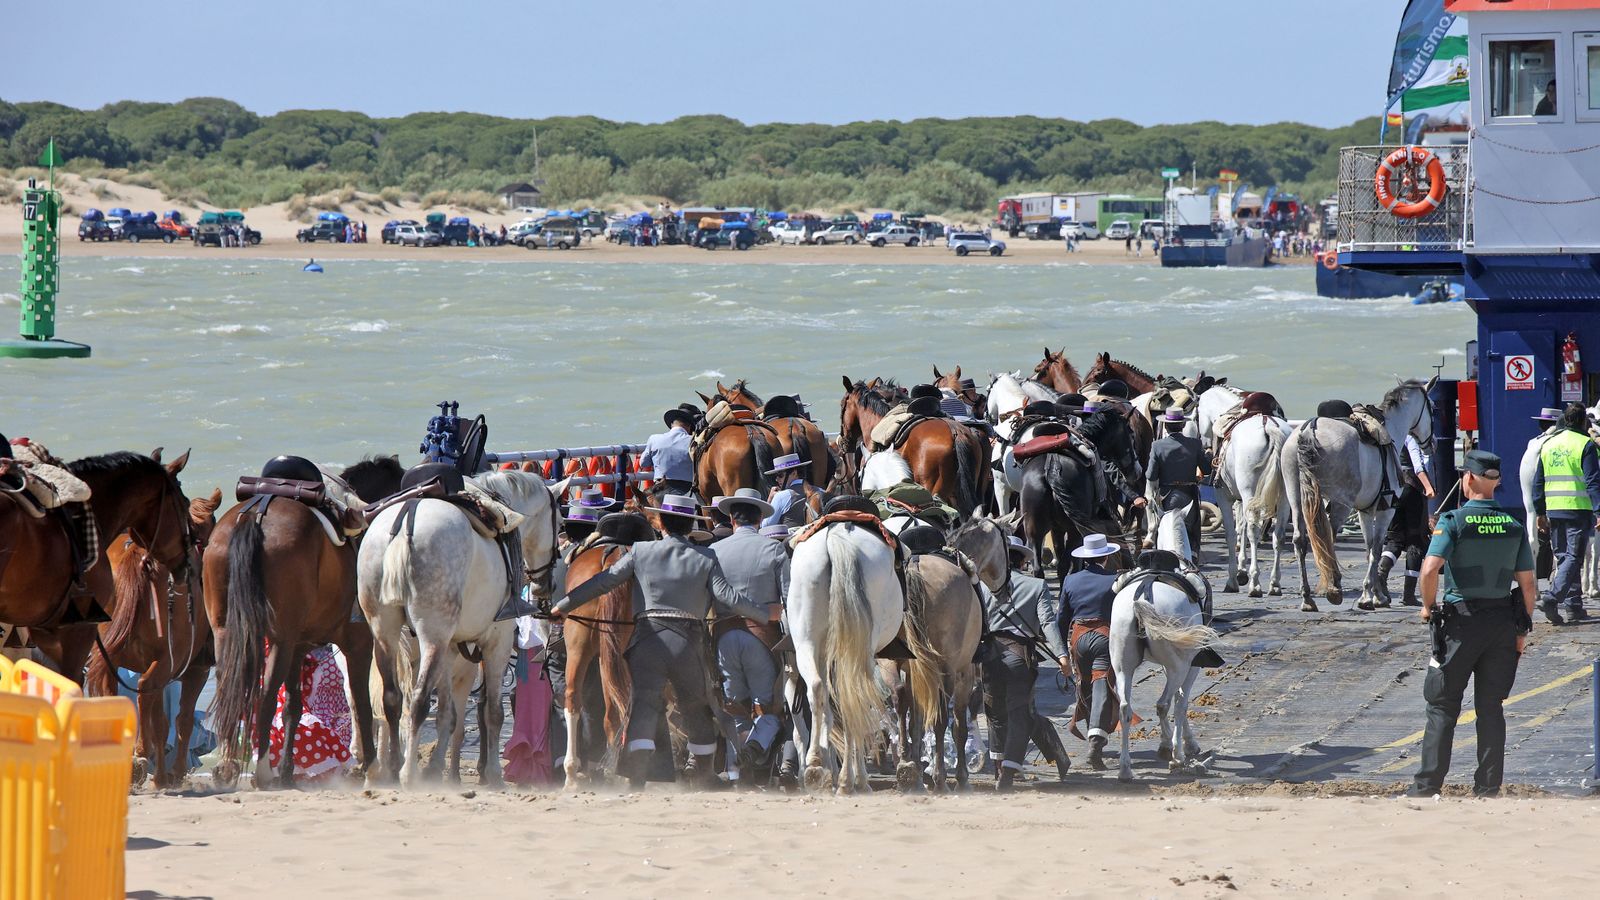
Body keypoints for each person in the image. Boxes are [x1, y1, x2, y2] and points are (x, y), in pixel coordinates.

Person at [553, 493, 781, 790]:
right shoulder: (706, 557)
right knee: (696, 708)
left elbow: (604, 581)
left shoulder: (641, 552)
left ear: (660, 523)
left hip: (648, 641)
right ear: (689, 527)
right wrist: (765, 613)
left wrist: (565, 605)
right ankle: (703, 776)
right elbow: (728, 597)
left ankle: (637, 778)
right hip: (688, 643)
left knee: (645, 706)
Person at [1410, 450, 1536, 798]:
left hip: (1460, 624)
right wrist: (1520, 633)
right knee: (1491, 709)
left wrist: (1426, 607)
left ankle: (1426, 788)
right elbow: (1528, 586)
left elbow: (1430, 568)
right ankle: (1487, 789)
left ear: (1467, 479)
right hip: (1501, 624)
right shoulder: (1512, 527)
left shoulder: (1453, 521)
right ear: (1495, 482)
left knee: (1441, 705)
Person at [710, 488, 790, 783]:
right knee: (769, 707)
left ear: (732, 519)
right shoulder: (774, 550)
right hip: (762, 638)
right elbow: (790, 600)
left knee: (735, 706)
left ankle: (739, 767)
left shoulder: (715, 551)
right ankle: (756, 744)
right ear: (759, 521)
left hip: (723, 637)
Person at [980, 536, 1071, 791]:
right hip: (1020, 657)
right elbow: (1048, 624)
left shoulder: (982, 587)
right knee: (1020, 715)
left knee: (995, 715)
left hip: (988, 656)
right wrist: (1062, 656)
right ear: (1023, 562)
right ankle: (1008, 772)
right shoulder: (1037, 585)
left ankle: (999, 768)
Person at [1531, 403, 1600, 624]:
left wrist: (1540, 511)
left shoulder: (1549, 444)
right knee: (1573, 558)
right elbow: (1592, 481)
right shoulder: (1585, 445)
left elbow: (1538, 482)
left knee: (1563, 557)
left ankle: (1573, 606)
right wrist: (1599, 510)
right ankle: (1552, 597)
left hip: (1554, 508)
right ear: (1582, 422)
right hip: (1577, 508)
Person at [1058, 533, 1122, 770]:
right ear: (1106, 557)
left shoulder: (1070, 581)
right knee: (1101, 685)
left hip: (1078, 640)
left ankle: (1093, 733)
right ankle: (1095, 744)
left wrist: (1061, 652)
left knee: (1084, 686)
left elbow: (1061, 620)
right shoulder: (1116, 580)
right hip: (1104, 638)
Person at [1369, 432, 1437, 610]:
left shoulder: (1392, 434)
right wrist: (1429, 487)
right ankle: (1408, 595)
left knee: (1394, 538)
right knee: (1416, 541)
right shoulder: (1413, 437)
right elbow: (1418, 466)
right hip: (1412, 489)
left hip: (1394, 488)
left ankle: (1381, 574)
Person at [1148, 408, 1212, 554]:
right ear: (1183, 425)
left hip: (1167, 496)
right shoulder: (1195, 444)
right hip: (1189, 494)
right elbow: (1207, 470)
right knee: (1191, 535)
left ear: (1165, 426)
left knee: (1165, 530)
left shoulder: (1157, 446)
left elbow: (1151, 476)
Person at [641, 406, 696, 497]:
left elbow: (643, 463)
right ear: (689, 427)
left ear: (671, 424)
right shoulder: (693, 441)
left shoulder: (654, 438)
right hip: (686, 492)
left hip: (660, 491)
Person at [763, 453, 814, 526]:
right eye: (776, 476)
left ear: (794, 473)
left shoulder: (780, 496)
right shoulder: (820, 490)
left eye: (780, 475)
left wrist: (769, 500)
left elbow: (766, 525)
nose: (777, 479)